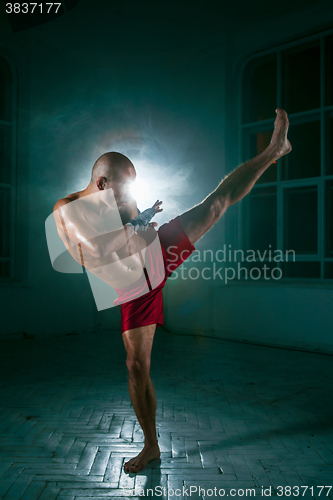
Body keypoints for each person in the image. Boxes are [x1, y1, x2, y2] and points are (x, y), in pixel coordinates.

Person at [53, 108, 291, 473]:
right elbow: (98, 252)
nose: (127, 198)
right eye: (121, 190)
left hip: (156, 255)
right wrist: (138, 220)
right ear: (101, 184)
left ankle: (272, 151)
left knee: (215, 204)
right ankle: (152, 445)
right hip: (133, 287)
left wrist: (141, 219)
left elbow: (134, 231)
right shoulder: (67, 209)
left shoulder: (119, 199)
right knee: (136, 364)